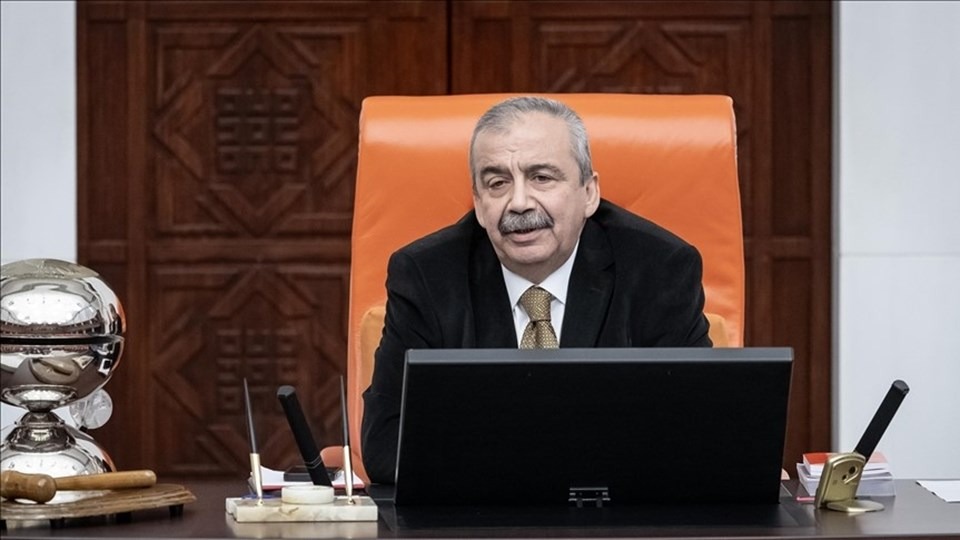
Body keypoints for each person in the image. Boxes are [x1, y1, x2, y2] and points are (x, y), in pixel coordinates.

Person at [360, 96, 711, 484]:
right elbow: (386, 446)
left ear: (589, 193)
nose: (519, 203)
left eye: (542, 178)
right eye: (497, 183)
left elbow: (697, 431)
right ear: (478, 204)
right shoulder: (425, 276)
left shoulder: (659, 269)